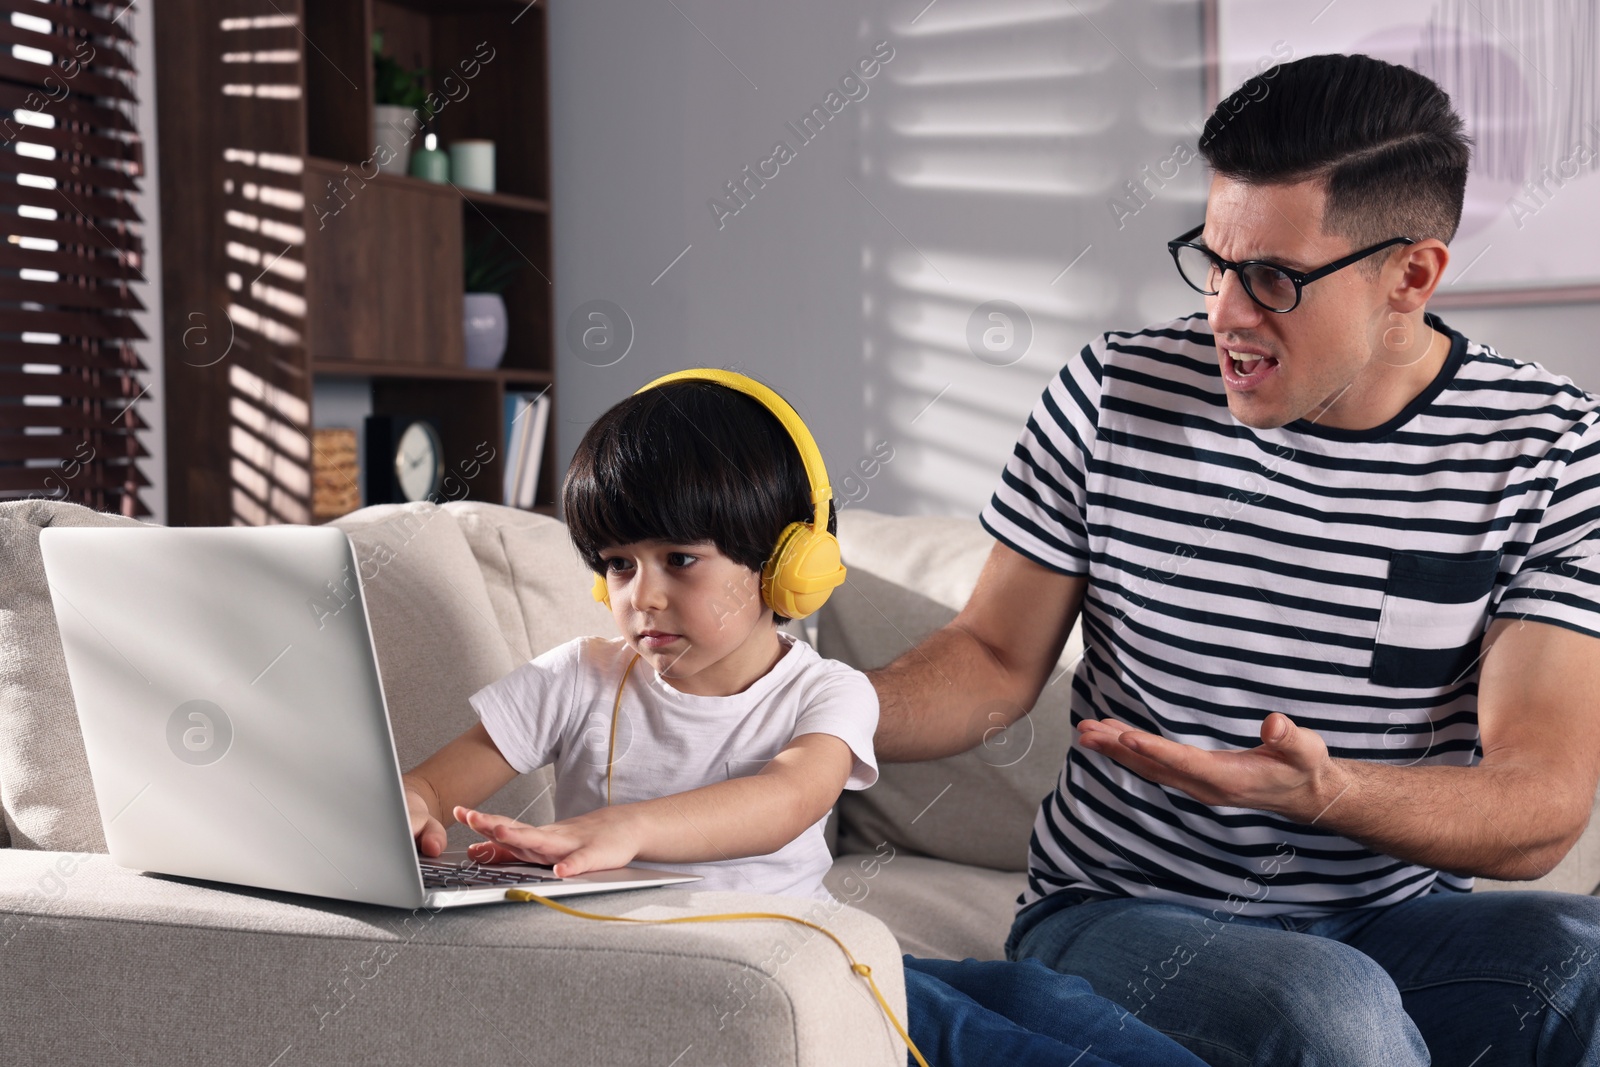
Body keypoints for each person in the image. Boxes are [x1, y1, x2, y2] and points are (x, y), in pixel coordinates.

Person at [869, 52, 1600, 1067]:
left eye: (1272, 278)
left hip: (1395, 919)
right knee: (1328, 1012)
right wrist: (811, 705)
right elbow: (991, 656)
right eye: (1211, 258)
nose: (1223, 312)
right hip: (1126, 911)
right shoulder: (1113, 392)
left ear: (1412, 274)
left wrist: (1322, 792)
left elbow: (1539, 804)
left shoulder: (1549, 445)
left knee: (1583, 972)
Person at [401, 370, 1208, 1067]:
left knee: (1032, 991)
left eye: (679, 560)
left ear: (787, 560)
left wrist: (626, 828)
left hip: (813, 948)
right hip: (715, 970)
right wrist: (414, 800)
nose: (640, 596)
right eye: (618, 564)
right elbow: (450, 772)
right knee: (972, 1033)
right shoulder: (580, 676)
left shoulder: (826, 692)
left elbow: (788, 797)